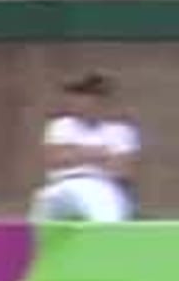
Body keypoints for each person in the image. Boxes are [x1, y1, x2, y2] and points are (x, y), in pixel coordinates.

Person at [32, 73, 140, 222]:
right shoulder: (60, 126)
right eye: (76, 97)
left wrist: (74, 152)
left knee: (108, 217)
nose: (78, 102)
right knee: (43, 207)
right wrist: (100, 154)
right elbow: (54, 159)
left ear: (99, 101)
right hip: (63, 184)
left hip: (102, 185)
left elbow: (122, 170)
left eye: (85, 97)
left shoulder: (121, 130)